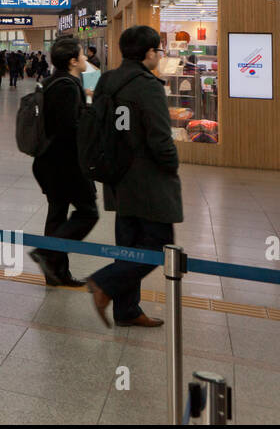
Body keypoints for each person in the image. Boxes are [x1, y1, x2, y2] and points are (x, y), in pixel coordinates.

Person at [86, 25, 181, 329]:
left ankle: (127, 310)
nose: (158, 55)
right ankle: (104, 284)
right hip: (147, 177)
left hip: (117, 173)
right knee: (158, 243)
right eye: (158, 50)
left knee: (128, 243)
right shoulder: (148, 85)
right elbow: (159, 138)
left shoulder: (108, 80)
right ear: (149, 53)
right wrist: (171, 165)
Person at [28, 36, 98, 287]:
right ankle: (47, 253)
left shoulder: (52, 82)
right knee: (88, 212)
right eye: (82, 55)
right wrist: (90, 110)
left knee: (57, 213)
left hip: (49, 161)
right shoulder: (67, 86)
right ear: (72, 60)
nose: (85, 58)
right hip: (65, 163)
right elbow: (70, 128)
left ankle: (56, 273)